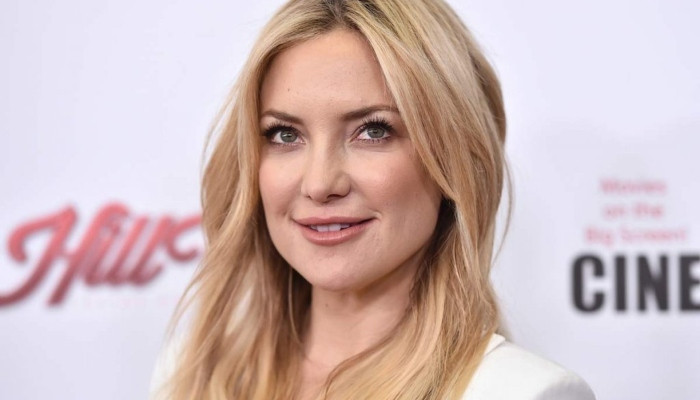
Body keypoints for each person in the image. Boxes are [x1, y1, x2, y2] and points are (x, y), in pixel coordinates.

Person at [150, 0, 596, 399]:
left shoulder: (525, 393)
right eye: (285, 135)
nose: (320, 183)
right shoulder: (191, 374)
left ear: (454, 156)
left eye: (374, 131)